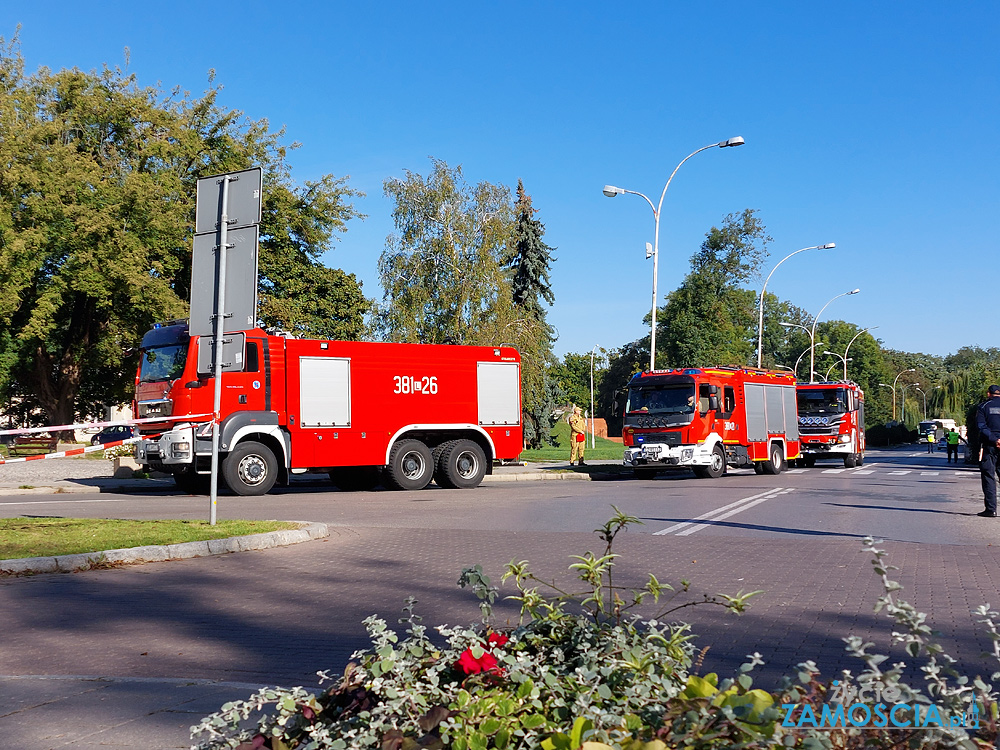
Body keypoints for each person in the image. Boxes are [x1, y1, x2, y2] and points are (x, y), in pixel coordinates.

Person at [975, 385, 1000, 517]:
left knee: (988, 476)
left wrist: (995, 439)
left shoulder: (984, 406)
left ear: (988, 394)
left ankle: (991, 509)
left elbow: (981, 426)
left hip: (990, 445)